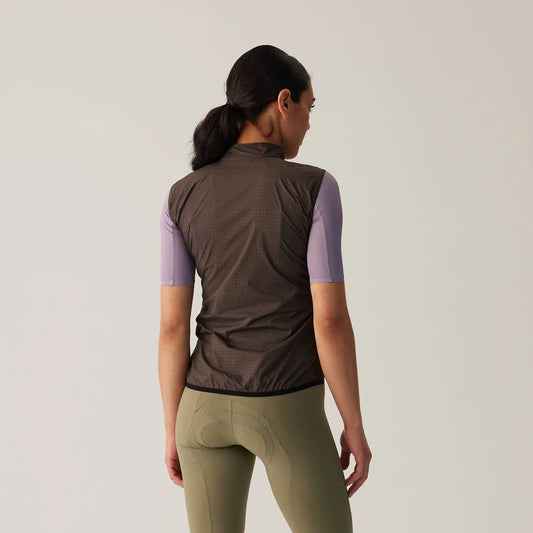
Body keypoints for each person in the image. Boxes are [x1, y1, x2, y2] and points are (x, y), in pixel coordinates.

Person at [158, 44, 372, 533]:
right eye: (309, 107)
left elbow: (172, 328)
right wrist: (353, 425)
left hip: (201, 408)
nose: (310, 122)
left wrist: (172, 428)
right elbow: (329, 321)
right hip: (285, 403)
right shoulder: (314, 188)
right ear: (283, 102)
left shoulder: (180, 196)